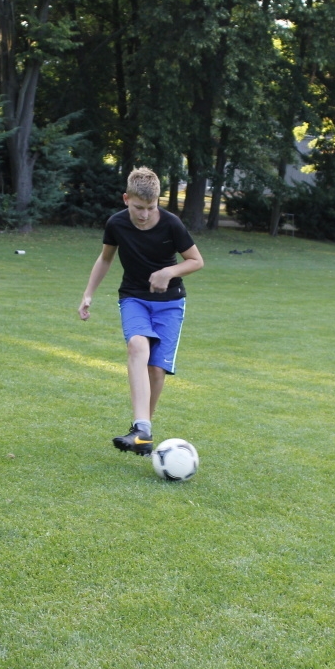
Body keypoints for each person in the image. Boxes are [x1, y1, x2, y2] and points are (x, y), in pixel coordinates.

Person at [78, 166, 204, 455]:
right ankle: (142, 427)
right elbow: (105, 259)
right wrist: (88, 293)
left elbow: (196, 261)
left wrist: (168, 272)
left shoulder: (171, 224)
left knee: (156, 369)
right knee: (137, 345)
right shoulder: (116, 224)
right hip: (134, 297)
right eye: (138, 207)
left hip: (170, 303)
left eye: (150, 207)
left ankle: (143, 434)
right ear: (126, 199)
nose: (144, 214)